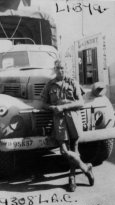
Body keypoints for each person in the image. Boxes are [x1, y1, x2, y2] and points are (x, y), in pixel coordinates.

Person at [41, 60, 94, 192]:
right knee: (64, 150)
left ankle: (72, 178)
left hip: (73, 118)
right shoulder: (50, 84)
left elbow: (81, 102)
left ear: (66, 69)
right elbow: (43, 103)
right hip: (59, 119)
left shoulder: (72, 82)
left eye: (63, 68)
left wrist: (64, 106)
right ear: (55, 69)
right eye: (58, 68)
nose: (61, 70)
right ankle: (85, 167)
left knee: (75, 147)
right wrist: (52, 107)